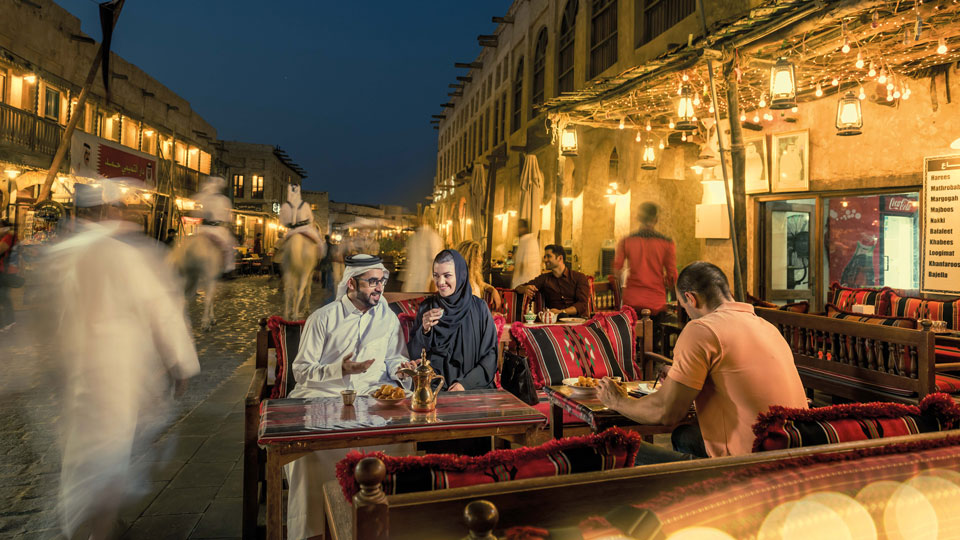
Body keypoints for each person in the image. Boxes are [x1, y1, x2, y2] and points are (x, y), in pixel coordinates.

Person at [44, 181, 199, 539]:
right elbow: (161, 310)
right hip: (118, 367)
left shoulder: (63, 254)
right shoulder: (128, 254)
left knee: (81, 448)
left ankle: (79, 521)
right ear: (109, 211)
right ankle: (101, 526)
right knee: (112, 448)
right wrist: (181, 364)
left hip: (78, 365)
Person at [597, 262, 807, 463]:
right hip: (797, 447)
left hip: (750, 461)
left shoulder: (701, 329)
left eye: (683, 306)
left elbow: (666, 411)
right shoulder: (768, 327)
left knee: (613, 446)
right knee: (684, 436)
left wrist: (616, 401)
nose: (686, 314)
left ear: (691, 298)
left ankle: (708, 487)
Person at [284, 254, 417, 539]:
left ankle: (389, 526)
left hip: (372, 398)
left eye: (382, 281)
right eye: (372, 282)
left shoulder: (388, 318)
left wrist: (403, 370)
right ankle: (315, 531)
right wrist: (339, 369)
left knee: (403, 439)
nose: (379, 288)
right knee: (310, 454)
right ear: (351, 284)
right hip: (323, 396)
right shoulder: (323, 319)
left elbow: (395, 359)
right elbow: (301, 372)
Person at [408, 250, 497, 391]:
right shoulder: (427, 308)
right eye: (436, 276)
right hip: (433, 389)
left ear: (461, 275)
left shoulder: (480, 309)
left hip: (472, 388)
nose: (440, 282)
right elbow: (414, 357)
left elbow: (490, 356)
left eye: (447, 275)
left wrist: (465, 385)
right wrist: (424, 331)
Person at [614, 202, 678, 347]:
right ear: (655, 219)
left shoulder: (627, 241)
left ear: (638, 218)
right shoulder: (666, 243)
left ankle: (634, 364)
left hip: (632, 300)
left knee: (632, 341)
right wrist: (670, 289)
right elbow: (672, 275)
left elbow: (617, 271)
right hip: (655, 301)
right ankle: (652, 364)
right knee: (654, 342)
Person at [515, 244, 590, 317]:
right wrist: (524, 289)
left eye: (548, 256)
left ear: (560, 258)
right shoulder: (544, 278)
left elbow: (582, 304)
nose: (545, 260)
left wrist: (561, 312)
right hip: (554, 322)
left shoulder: (579, 277)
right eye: (545, 257)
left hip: (578, 320)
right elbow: (518, 288)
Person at [193, 176, 237, 273]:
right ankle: (228, 267)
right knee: (230, 247)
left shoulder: (203, 197)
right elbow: (228, 218)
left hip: (201, 229)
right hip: (218, 230)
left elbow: (196, 212)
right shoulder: (224, 200)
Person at [456, 240, 501, 310]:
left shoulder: (471, 277)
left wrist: (493, 290)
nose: (481, 259)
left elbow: (483, 285)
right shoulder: (460, 282)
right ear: (471, 259)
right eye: (479, 256)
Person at [401, 216, 442, 292]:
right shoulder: (417, 237)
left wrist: (433, 281)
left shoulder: (428, 236)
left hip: (421, 282)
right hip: (419, 282)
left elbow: (434, 260)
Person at [510, 219, 541, 288]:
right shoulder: (529, 240)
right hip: (529, 280)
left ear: (525, 228)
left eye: (519, 227)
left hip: (525, 281)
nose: (518, 230)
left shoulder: (527, 240)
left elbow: (522, 264)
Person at [0, 218, 17, 332]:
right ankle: (9, 321)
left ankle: (8, 322)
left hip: (5, 271)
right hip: (8, 271)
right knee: (4, 297)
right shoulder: (11, 237)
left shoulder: (8, 238)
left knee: (4, 297)